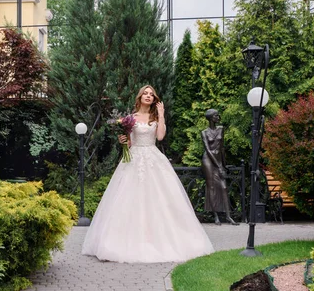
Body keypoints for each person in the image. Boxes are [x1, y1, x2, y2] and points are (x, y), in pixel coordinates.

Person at [81, 85, 215, 263]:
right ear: (140, 97)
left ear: (154, 99)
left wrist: (161, 115)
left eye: (151, 94)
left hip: (153, 158)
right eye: (145, 93)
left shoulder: (155, 117)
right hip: (133, 159)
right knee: (128, 199)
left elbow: (160, 137)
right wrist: (122, 141)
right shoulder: (130, 119)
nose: (148, 96)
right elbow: (128, 144)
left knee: (159, 199)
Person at [201, 109, 239, 226]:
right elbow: (208, 150)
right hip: (208, 160)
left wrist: (223, 164)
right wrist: (219, 166)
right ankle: (216, 216)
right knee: (211, 187)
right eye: (216, 115)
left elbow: (222, 148)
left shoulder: (221, 129)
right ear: (211, 118)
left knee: (224, 187)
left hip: (218, 160)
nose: (218, 117)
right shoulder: (204, 132)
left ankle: (228, 216)